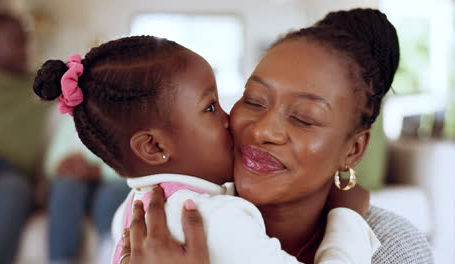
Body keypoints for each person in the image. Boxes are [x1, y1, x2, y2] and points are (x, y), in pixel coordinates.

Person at [121, 8, 434, 264]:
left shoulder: (394, 248)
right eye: (254, 101)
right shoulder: (166, 219)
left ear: (352, 150)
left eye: (304, 118)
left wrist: (345, 219)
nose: (262, 130)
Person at [33, 35, 380, 264]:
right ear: (153, 146)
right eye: (211, 107)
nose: (232, 120)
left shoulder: (129, 209)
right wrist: (346, 218)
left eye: (304, 117)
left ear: (354, 148)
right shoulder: (216, 219)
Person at [0, 12, 50, 263]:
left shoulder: (42, 85)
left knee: (13, 190)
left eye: (26, 40)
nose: (25, 48)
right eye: (16, 41)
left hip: (11, 175)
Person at [43, 116, 129, 264]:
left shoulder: (126, 112)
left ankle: (110, 254)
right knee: (64, 188)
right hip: (78, 181)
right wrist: (63, 166)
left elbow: (132, 161)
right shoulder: (71, 115)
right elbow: (52, 161)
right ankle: (61, 260)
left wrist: (99, 170)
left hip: (116, 179)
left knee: (110, 196)